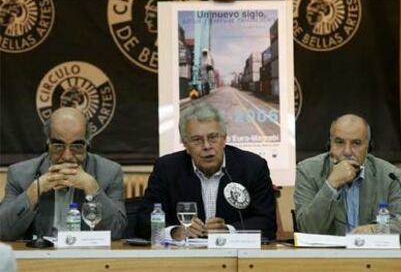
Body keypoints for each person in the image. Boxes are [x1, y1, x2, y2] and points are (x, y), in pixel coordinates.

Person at [136, 103, 276, 241]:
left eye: (213, 137)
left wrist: (229, 231)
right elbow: (144, 221)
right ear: (185, 144)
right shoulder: (167, 169)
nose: (207, 146)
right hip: (183, 258)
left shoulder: (252, 166)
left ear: (224, 138)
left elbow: (267, 223)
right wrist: (175, 232)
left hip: (236, 256)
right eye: (197, 140)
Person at [0, 107, 126, 241]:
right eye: (59, 146)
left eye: (76, 147)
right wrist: (33, 191)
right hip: (40, 257)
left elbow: (117, 231)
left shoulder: (110, 172)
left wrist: (93, 189)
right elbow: (3, 231)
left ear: (87, 145)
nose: (67, 156)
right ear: (48, 144)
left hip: (87, 256)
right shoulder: (20, 174)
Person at [294, 114, 401, 235]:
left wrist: (374, 230)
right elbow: (307, 229)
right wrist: (331, 185)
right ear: (329, 144)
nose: (347, 151)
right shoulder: (307, 171)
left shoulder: (389, 175)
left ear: (368, 147)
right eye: (339, 142)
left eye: (356, 143)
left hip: (372, 253)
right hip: (326, 254)